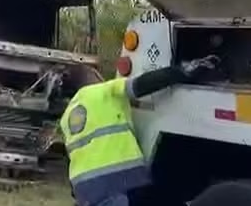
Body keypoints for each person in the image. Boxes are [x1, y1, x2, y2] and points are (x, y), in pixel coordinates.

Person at [61, 54, 221, 206]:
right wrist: (183, 71)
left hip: (83, 186)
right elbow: (143, 84)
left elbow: (72, 156)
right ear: (92, 77)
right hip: (119, 178)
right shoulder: (104, 90)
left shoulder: (67, 116)